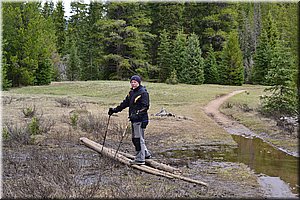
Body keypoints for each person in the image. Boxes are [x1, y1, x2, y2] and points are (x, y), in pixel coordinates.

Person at [108, 75, 152, 165]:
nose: (133, 84)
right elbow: (125, 103)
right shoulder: (131, 93)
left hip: (141, 120)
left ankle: (140, 159)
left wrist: (136, 115)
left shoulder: (143, 93)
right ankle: (146, 154)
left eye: (135, 82)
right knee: (139, 138)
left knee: (137, 139)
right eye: (132, 82)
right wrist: (114, 110)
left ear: (139, 82)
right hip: (134, 119)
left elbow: (145, 107)